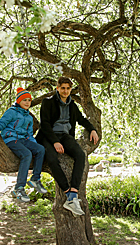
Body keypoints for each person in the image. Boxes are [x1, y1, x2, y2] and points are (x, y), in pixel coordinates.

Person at [36, 76, 99, 216]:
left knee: (80, 155)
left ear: (71, 90)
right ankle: (66, 191)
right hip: (48, 135)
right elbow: (44, 124)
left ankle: (73, 194)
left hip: (65, 136)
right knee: (52, 158)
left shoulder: (72, 105)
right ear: (57, 88)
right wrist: (55, 142)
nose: (65, 91)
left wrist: (92, 129)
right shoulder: (48, 102)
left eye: (68, 88)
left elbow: (81, 119)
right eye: (62, 88)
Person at [0, 87, 47, 202]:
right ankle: (19, 188)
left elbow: (29, 135)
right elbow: (2, 123)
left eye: (29, 100)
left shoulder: (29, 117)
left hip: (23, 140)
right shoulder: (12, 111)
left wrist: (34, 146)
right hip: (11, 139)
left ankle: (35, 179)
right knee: (26, 154)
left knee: (41, 149)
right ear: (18, 101)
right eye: (24, 100)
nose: (27, 102)